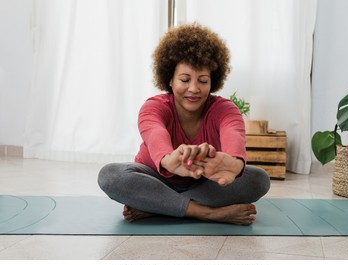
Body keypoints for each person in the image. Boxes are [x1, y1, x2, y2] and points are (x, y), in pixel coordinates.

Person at [98, 23, 270, 225]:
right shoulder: (154, 107)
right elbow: (154, 134)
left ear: (212, 82)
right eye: (185, 79)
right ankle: (206, 213)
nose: (194, 89)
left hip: (204, 183)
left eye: (203, 81)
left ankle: (158, 206)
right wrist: (169, 159)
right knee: (110, 175)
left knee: (258, 179)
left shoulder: (225, 109)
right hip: (155, 180)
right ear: (170, 79)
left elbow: (233, 132)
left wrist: (234, 163)